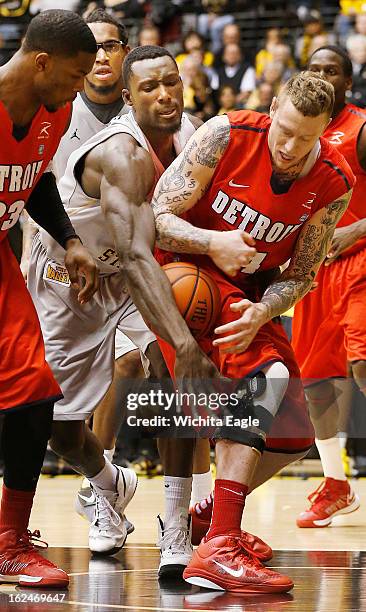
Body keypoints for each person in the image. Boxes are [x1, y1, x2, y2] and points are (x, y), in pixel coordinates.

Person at [152, 71, 355, 592]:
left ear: (326, 131)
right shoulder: (225, 134)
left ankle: (209, 515)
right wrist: (211, 242)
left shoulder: (333, 182)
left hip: (250, 295)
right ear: (272, 108)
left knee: (292, 437)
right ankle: (220, 542)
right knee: (270, 374)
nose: (289, 147)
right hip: (186, 274)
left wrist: (264, 311)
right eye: (283, 129)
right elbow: (157, 215)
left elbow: (303, 275)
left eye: (304, 137)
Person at [26, 45, 218, 569]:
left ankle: (177, 529)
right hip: (74, 278)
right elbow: (134, 253)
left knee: (171, 373)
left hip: (141, 274)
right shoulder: (123, 153)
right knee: (57, 427)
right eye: (150, 87)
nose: (165, 95)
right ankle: (111, 484)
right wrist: (184, 339)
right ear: (129, 100)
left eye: (172, 83)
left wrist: (183, 343)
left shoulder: (196, 141)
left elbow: (153, 249)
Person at [0, 9, 98, 587]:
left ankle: (11, 541)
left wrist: (70, 240)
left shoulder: (53, 114)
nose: (82, 85)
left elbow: (32, 179)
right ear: (42, 62)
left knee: (34, 390)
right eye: (76, 73)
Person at [292, 46, 366, 528]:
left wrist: (355, 230)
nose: (321, 76)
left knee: (362, 363)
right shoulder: (296, 134)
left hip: (360, 259)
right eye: (314, 69)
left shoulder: (361, 130)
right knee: (316, 379)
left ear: (347, 82)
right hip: (312, 271)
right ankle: (335, 483)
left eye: (331, 71)